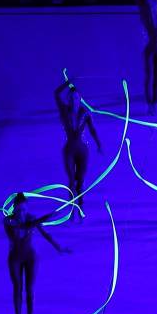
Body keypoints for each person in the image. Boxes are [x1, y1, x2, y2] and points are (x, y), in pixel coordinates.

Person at [4, 192, 71, 314]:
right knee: (17, 289)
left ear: (27, 209)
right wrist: (48, 216)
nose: (22, 213)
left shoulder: (30, 218)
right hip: (15, 258)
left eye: (24, 210)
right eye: (19, 210)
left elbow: (45, 233)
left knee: (29, 290)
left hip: (30, 257)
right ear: (14, 209)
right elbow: (23, 226)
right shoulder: (8, 221)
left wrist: (58, 247)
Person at [54, 78, 102, 218]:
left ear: (80, 99)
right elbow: (56, 94)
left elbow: (92, 129)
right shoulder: (64, 110)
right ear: (69, 99)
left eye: (77, 98)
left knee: (80, 180)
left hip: (82, 150)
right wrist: (68, 83)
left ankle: (80, 205)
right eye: (72, 98)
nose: (74, 100)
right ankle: (72, 206)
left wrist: (98, 144)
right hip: (69, 149)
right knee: (70, 179)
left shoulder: (85, 112)